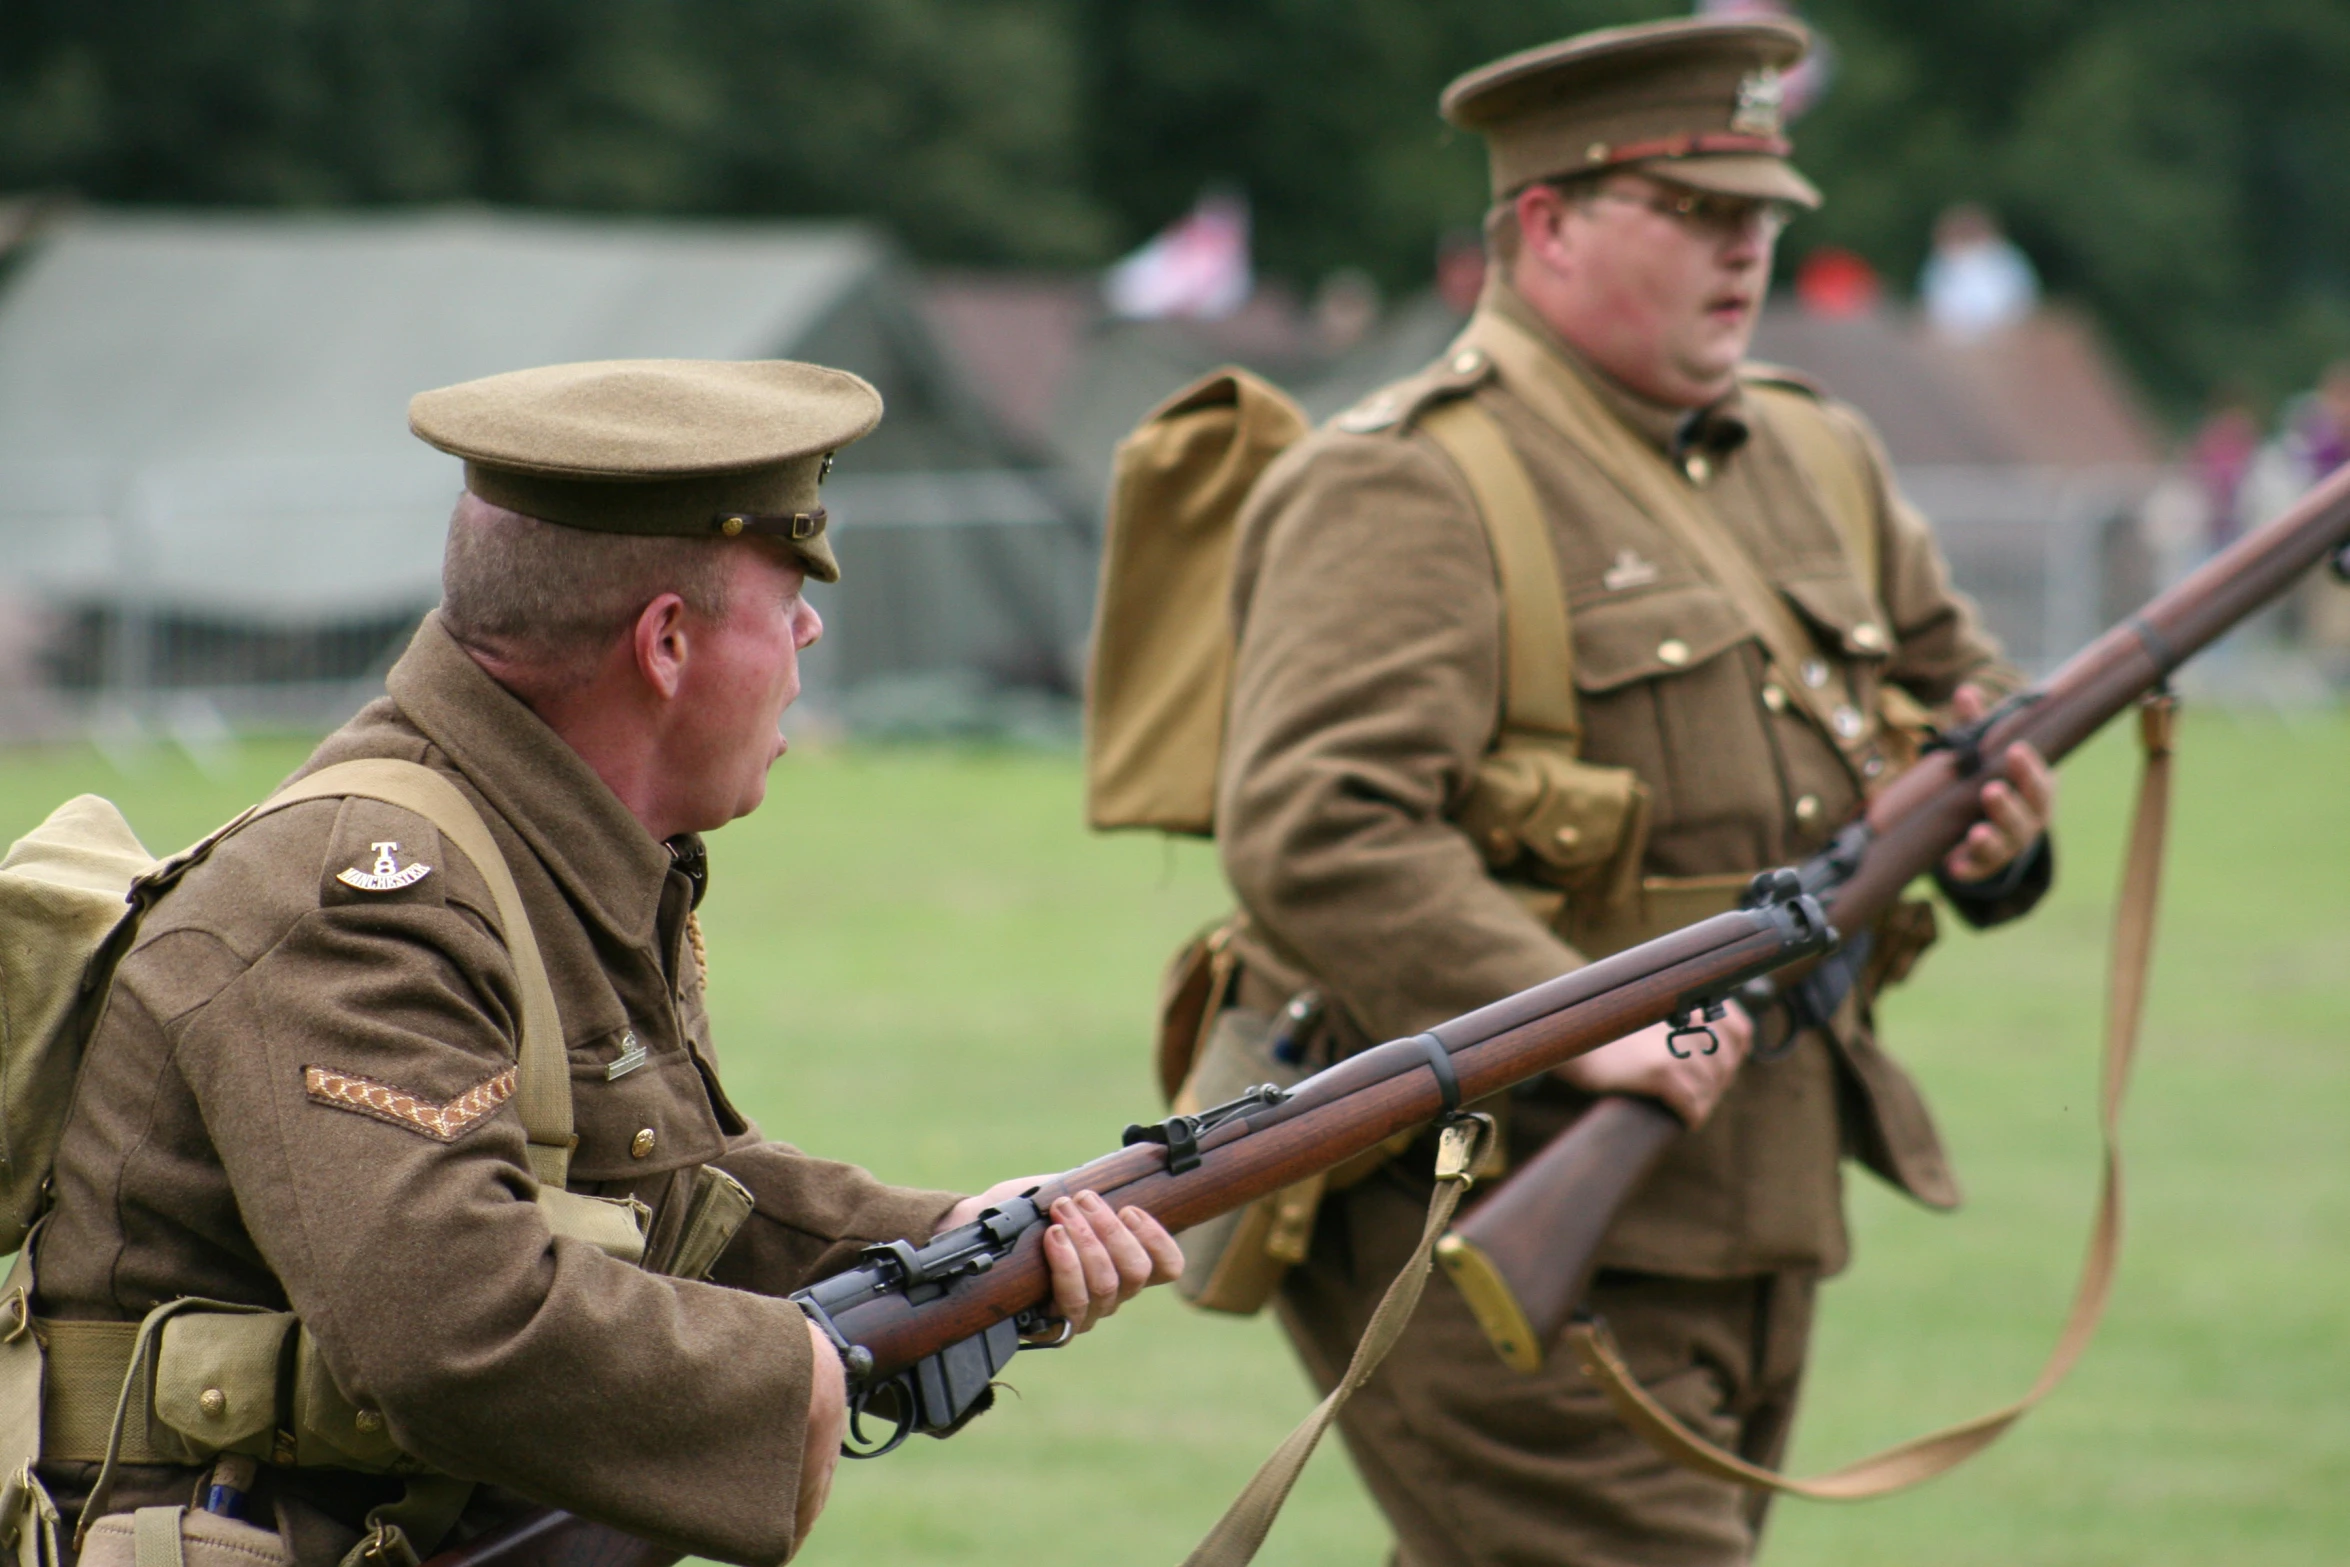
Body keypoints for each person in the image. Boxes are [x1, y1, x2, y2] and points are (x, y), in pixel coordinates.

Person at [29, 358, 1183, 1567]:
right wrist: (786, 1371)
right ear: (667, 642)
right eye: (786, 595)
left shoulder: (548, 842)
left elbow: (669, 1185)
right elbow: (453, 1322)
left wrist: (959, 1244)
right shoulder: (359, 897)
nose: (811, 630)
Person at [1210, 19, 2055, 1566]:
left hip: (1748, 1192)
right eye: (1696, 214)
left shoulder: (1812, 446)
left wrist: (2001, 830)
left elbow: (1963, 700)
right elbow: (1312, 827)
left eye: (1761, 219)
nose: (1746, 254)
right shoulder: (1410, 476)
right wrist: (1574, 1017)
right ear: (1543, 223)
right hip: (1490, 1199)